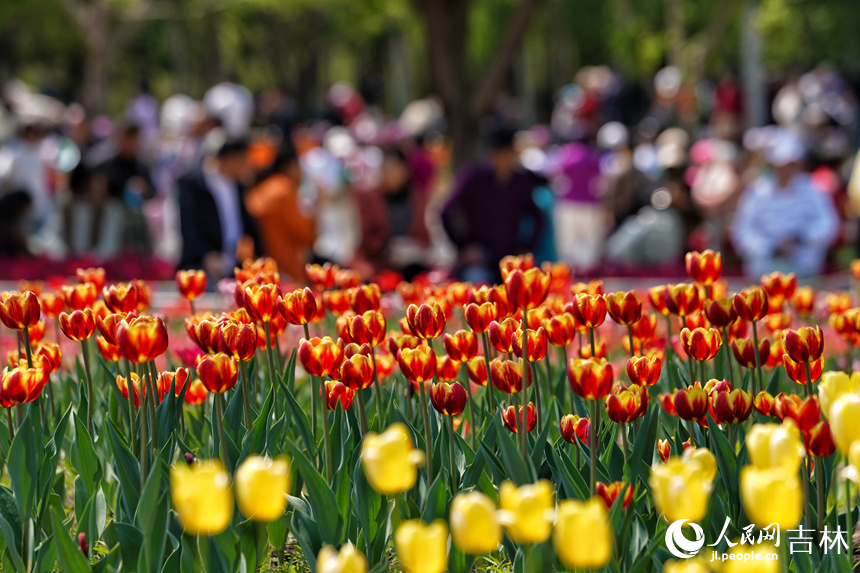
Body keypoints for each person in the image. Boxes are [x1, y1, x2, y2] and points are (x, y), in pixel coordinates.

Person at [441, 124, 545, 283]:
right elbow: (446, 211)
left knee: (532, 282)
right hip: (480, 258)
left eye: (505, 153)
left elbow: (538, 217)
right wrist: (463, 247)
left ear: (513, 153)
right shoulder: (474, 178)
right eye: (496, 153)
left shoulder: (521, 182)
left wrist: (527, 247)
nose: (501, 159)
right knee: (477, 282)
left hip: (510, 256)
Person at [731, 128, 839, 278]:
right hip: (765, 271)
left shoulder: (813, 190)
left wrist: (799, 239)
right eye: (781, 165)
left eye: (790, 164)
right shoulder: (757, 192)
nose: (786, 169)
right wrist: (772, 247)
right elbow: (743, 232)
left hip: (804, 269)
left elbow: (828, 225)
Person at [177, 138, 259, 280]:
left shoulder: (237, 184)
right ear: (230, 158)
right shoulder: (194, 183)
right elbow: (189, 226)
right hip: (201, 266)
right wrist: (206, 254)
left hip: (233, 264)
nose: (246, 165)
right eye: (242, 159)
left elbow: (248, 224)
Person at [352, 148, 431, 280]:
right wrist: (389, 247)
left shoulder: (416, 198)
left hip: (411, 264)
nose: (389, 174)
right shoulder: (369, 197)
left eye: (394, 168)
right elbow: (366, 237)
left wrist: (413, 248)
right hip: (378, 262)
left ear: (406, 171)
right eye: (385, 169)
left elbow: (424, 236)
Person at [245, 147, 316, 281]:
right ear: (290, 167)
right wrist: (315, 211)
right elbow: (305, 234)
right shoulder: (283, 189)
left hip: (257, 268)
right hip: (284, 269)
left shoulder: (258, 188)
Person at [91, 123, 156, 254]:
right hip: (111, 218)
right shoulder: (107, 165)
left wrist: (144, 188)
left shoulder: (141, 167)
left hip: (136, 219)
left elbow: (153, 192)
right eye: (128, 139)